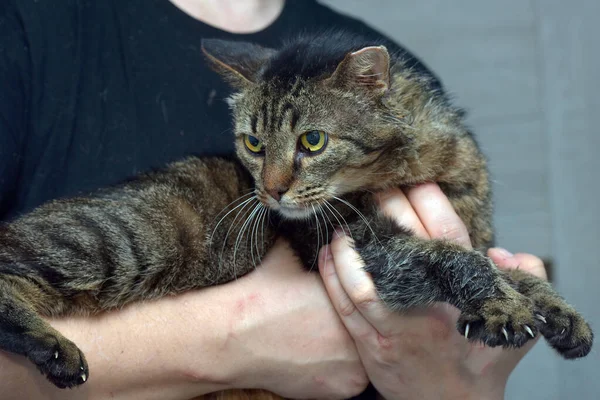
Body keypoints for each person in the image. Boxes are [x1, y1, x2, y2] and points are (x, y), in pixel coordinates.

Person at [0, 0, 547, 399]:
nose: (275, 184)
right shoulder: (29, 26)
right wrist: (233, 338)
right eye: (257, 147)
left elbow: (454, 366)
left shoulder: (386, 75)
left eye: (310, 143)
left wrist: (452, 386)